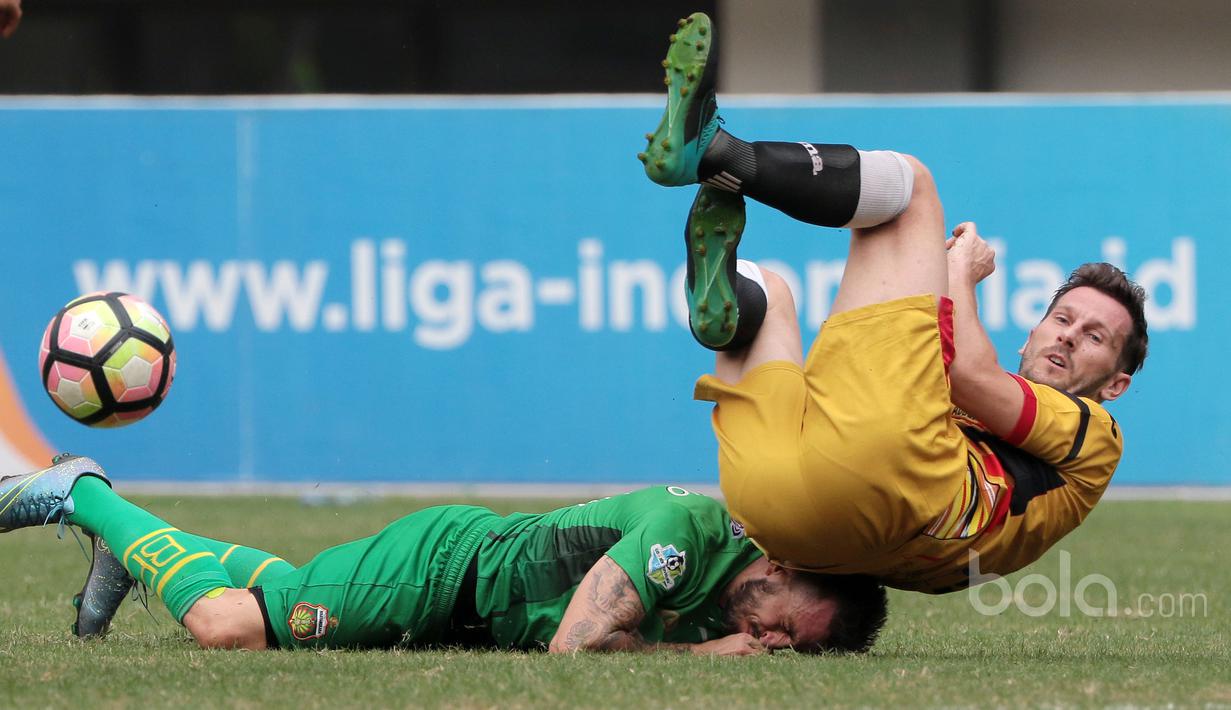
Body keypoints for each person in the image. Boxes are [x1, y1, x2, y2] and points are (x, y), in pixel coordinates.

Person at [639, 13, 1148, 593]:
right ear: (1030, 333)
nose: (1068, 335)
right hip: (783, 522)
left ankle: (716, 153)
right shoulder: (999, 428)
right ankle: (731, 313)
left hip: (882, 481)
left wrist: (959, 271)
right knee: (766, 289)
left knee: (910, 190)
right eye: (1062, 319)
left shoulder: (1095, 436)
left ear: (1116, 385)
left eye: (1094, 337)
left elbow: (965, 371)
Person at [0, 455, 887, 654]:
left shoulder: (728, 589)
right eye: (777, 628)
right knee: (228, 628)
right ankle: (86, 494)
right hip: (439, 572)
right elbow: (575, 647)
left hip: (455, 599)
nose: (767, 644)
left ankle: (135, 552)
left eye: (786, 651)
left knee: (289, 592)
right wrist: (701, 658)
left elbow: (618, 642)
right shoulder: (688, 531)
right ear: (775, 568)